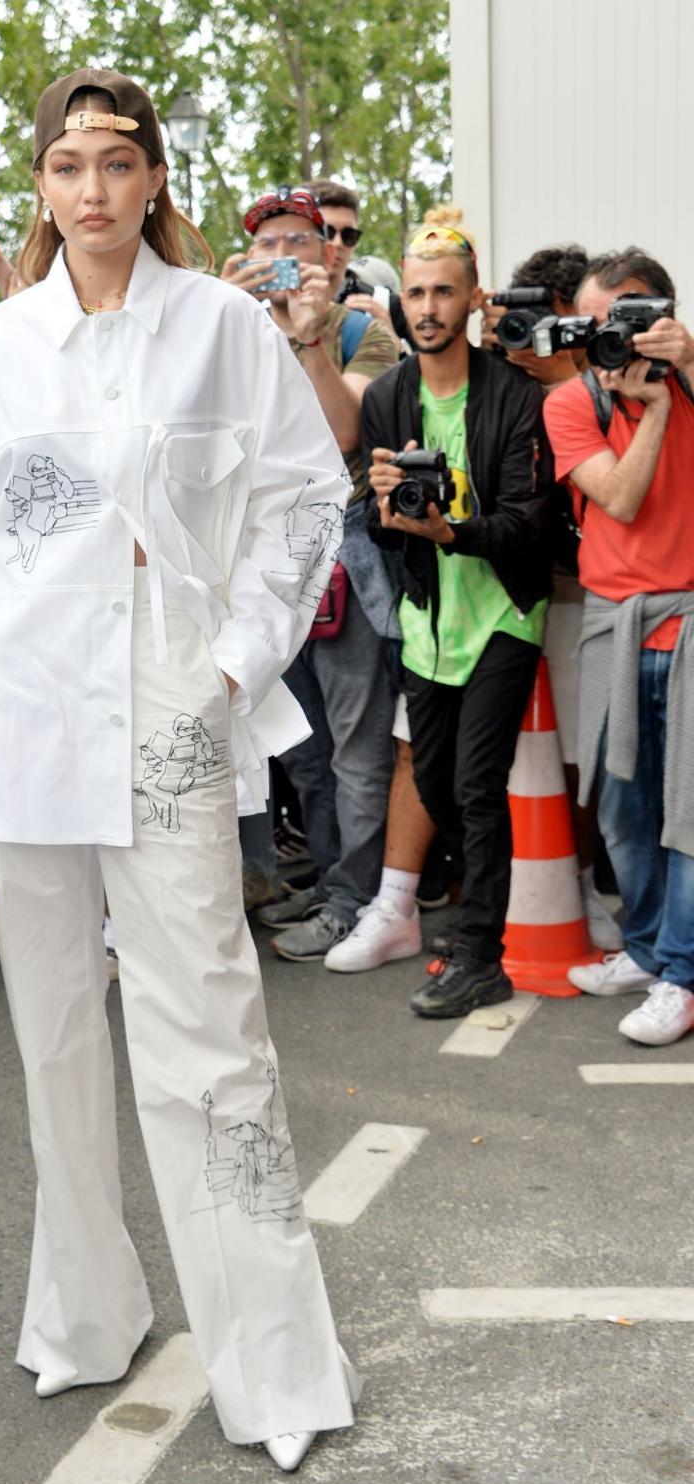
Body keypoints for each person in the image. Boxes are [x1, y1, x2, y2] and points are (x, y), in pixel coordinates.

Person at [0, 68, 362, 1473]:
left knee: (210, 1035)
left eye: (116, 161)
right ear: (41, 187)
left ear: (154, 176)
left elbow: (307, 497)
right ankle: (85, 1313)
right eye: (67, 164)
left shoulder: (222, 327)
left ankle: (275, 1366)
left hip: (171, 695)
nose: (92, 189)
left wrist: (232, 662)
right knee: (52, 1034)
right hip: (22, 716)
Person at [359, 206, 554, 1018]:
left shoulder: (514, 396)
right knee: (436, 784)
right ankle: (478, 919)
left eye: (444, 292)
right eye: (416, 293)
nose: (429, 308)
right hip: (427, 619)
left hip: (503, 610)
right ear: (401, 301)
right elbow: (379, 524)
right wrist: (384, 506)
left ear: (474, 299)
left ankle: (482, 956)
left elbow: (527, 525)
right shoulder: (386, 398)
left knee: (477, 785)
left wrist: (450, 531)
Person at [221, 184, 401, 961]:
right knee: (298, 746)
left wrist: (308, 337)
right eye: (267, 245)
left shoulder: (362, 328)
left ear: (328, 253)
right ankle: (331, 882)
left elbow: (343, 432)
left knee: (357, 746)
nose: (282, 258)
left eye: (298, 242)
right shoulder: (225, 328)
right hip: (259, 560)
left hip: (343, 554)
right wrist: (214, 314)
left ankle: (355, 901)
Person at [543, 247, 694, 1047]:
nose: (615, 339)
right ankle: (645, 949)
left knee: (689, 814)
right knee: (622, 809)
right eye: (597, 323)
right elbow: (623, 500)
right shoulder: (573, 401)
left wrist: (679, 377)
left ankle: (681, 975)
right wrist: (650, 408)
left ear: (663, 314)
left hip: (690, 619)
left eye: (629, 319)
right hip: (613, 622)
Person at [480, 244, 623, 954]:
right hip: (503, 580)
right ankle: (527, 889)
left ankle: (587, 885)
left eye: (549, 318)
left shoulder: (609, 374)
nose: (534, 333)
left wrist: (569, 377)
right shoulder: (499, 377)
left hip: (580, 585)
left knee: (582, 748)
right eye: (520, 316)